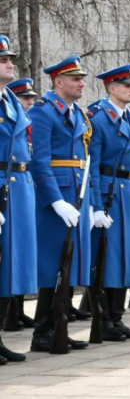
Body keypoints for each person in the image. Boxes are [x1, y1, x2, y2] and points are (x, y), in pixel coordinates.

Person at [29, 55, 92, 353]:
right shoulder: (44, 112)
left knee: (67, 264)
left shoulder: (77, 113)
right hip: (56, 195)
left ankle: (59, 325)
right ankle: (43, 330)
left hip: (75, 192)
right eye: (75, 79)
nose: (81, 83)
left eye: (82, 79)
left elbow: (83, 161)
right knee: (53, 264)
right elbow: (39, 161)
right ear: (58, 82)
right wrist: (54, 200)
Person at [87, 65, 130, 341]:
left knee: (127, 258)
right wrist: (97, 205)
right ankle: (103, 320)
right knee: (109, 259)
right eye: (126, 85)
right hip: (111, 192)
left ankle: (117, 317)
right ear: (112, 88)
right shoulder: (99, 119)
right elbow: (94, 165)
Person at [0, 38, 37, 363]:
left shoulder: (10, 101)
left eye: (10, 58)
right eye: (3, 59)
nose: (10, 63)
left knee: (10, 264)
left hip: (18, 187)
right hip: (2, 184)